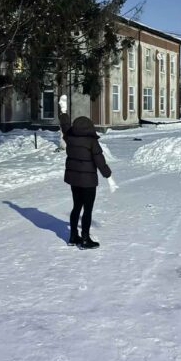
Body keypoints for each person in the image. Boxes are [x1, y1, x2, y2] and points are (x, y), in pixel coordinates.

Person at [59, 96, 111, 249]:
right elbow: (99, 160)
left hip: (74, 180)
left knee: (76, 206)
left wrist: (63, 111)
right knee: (87, 209)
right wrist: (108, 174)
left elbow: (65, 125)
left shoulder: (70, 137)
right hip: (88, 182)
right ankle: (85, 239)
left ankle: (73, 236)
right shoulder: (91, 141)